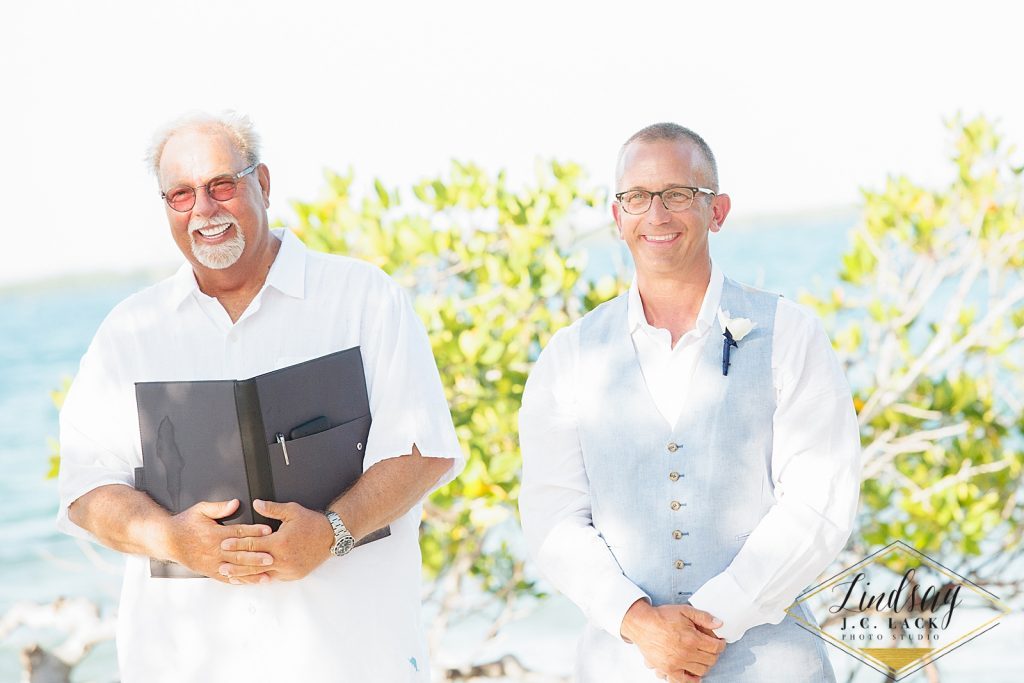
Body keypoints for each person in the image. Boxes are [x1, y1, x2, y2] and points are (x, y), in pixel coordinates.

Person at [56, 111, 464, 682]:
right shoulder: (129, 334)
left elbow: (424, 452)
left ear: (262, 183)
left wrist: (331, 534)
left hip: (350, 658)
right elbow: (85, 488)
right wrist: (171, 538)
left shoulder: (362, 299)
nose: (204, 210)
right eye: (180, 195)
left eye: (221, 185)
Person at [518, 123, 861, 682]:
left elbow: (818, 506)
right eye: (637, 197)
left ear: (717, 211)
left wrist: (711, 622)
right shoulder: (570, 356)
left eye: (679, 195)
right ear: (617, 216)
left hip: (771, 666)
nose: (656, 214)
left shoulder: (791, 334)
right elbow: (552, 516)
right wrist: (640, 624)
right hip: (622, 665)